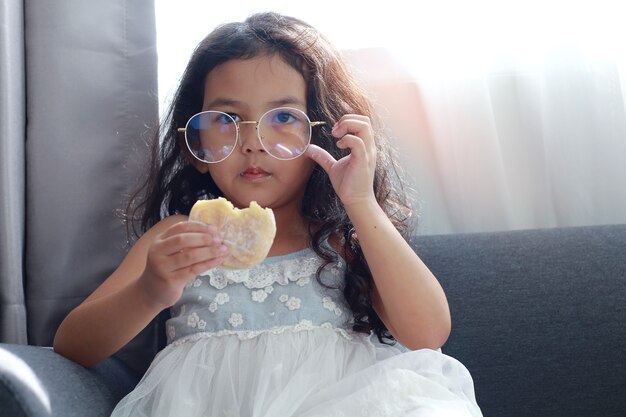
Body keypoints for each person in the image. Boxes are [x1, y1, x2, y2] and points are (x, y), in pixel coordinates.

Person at [53, 12, 482, 417]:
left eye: (281, 116)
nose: (252, 141)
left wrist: (360, 202)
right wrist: (149, 290)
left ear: (320, 131)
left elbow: (427, 334)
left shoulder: (337, 237)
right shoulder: (181, 234)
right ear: (195, 146)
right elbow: (73, 344)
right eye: (227, 118)